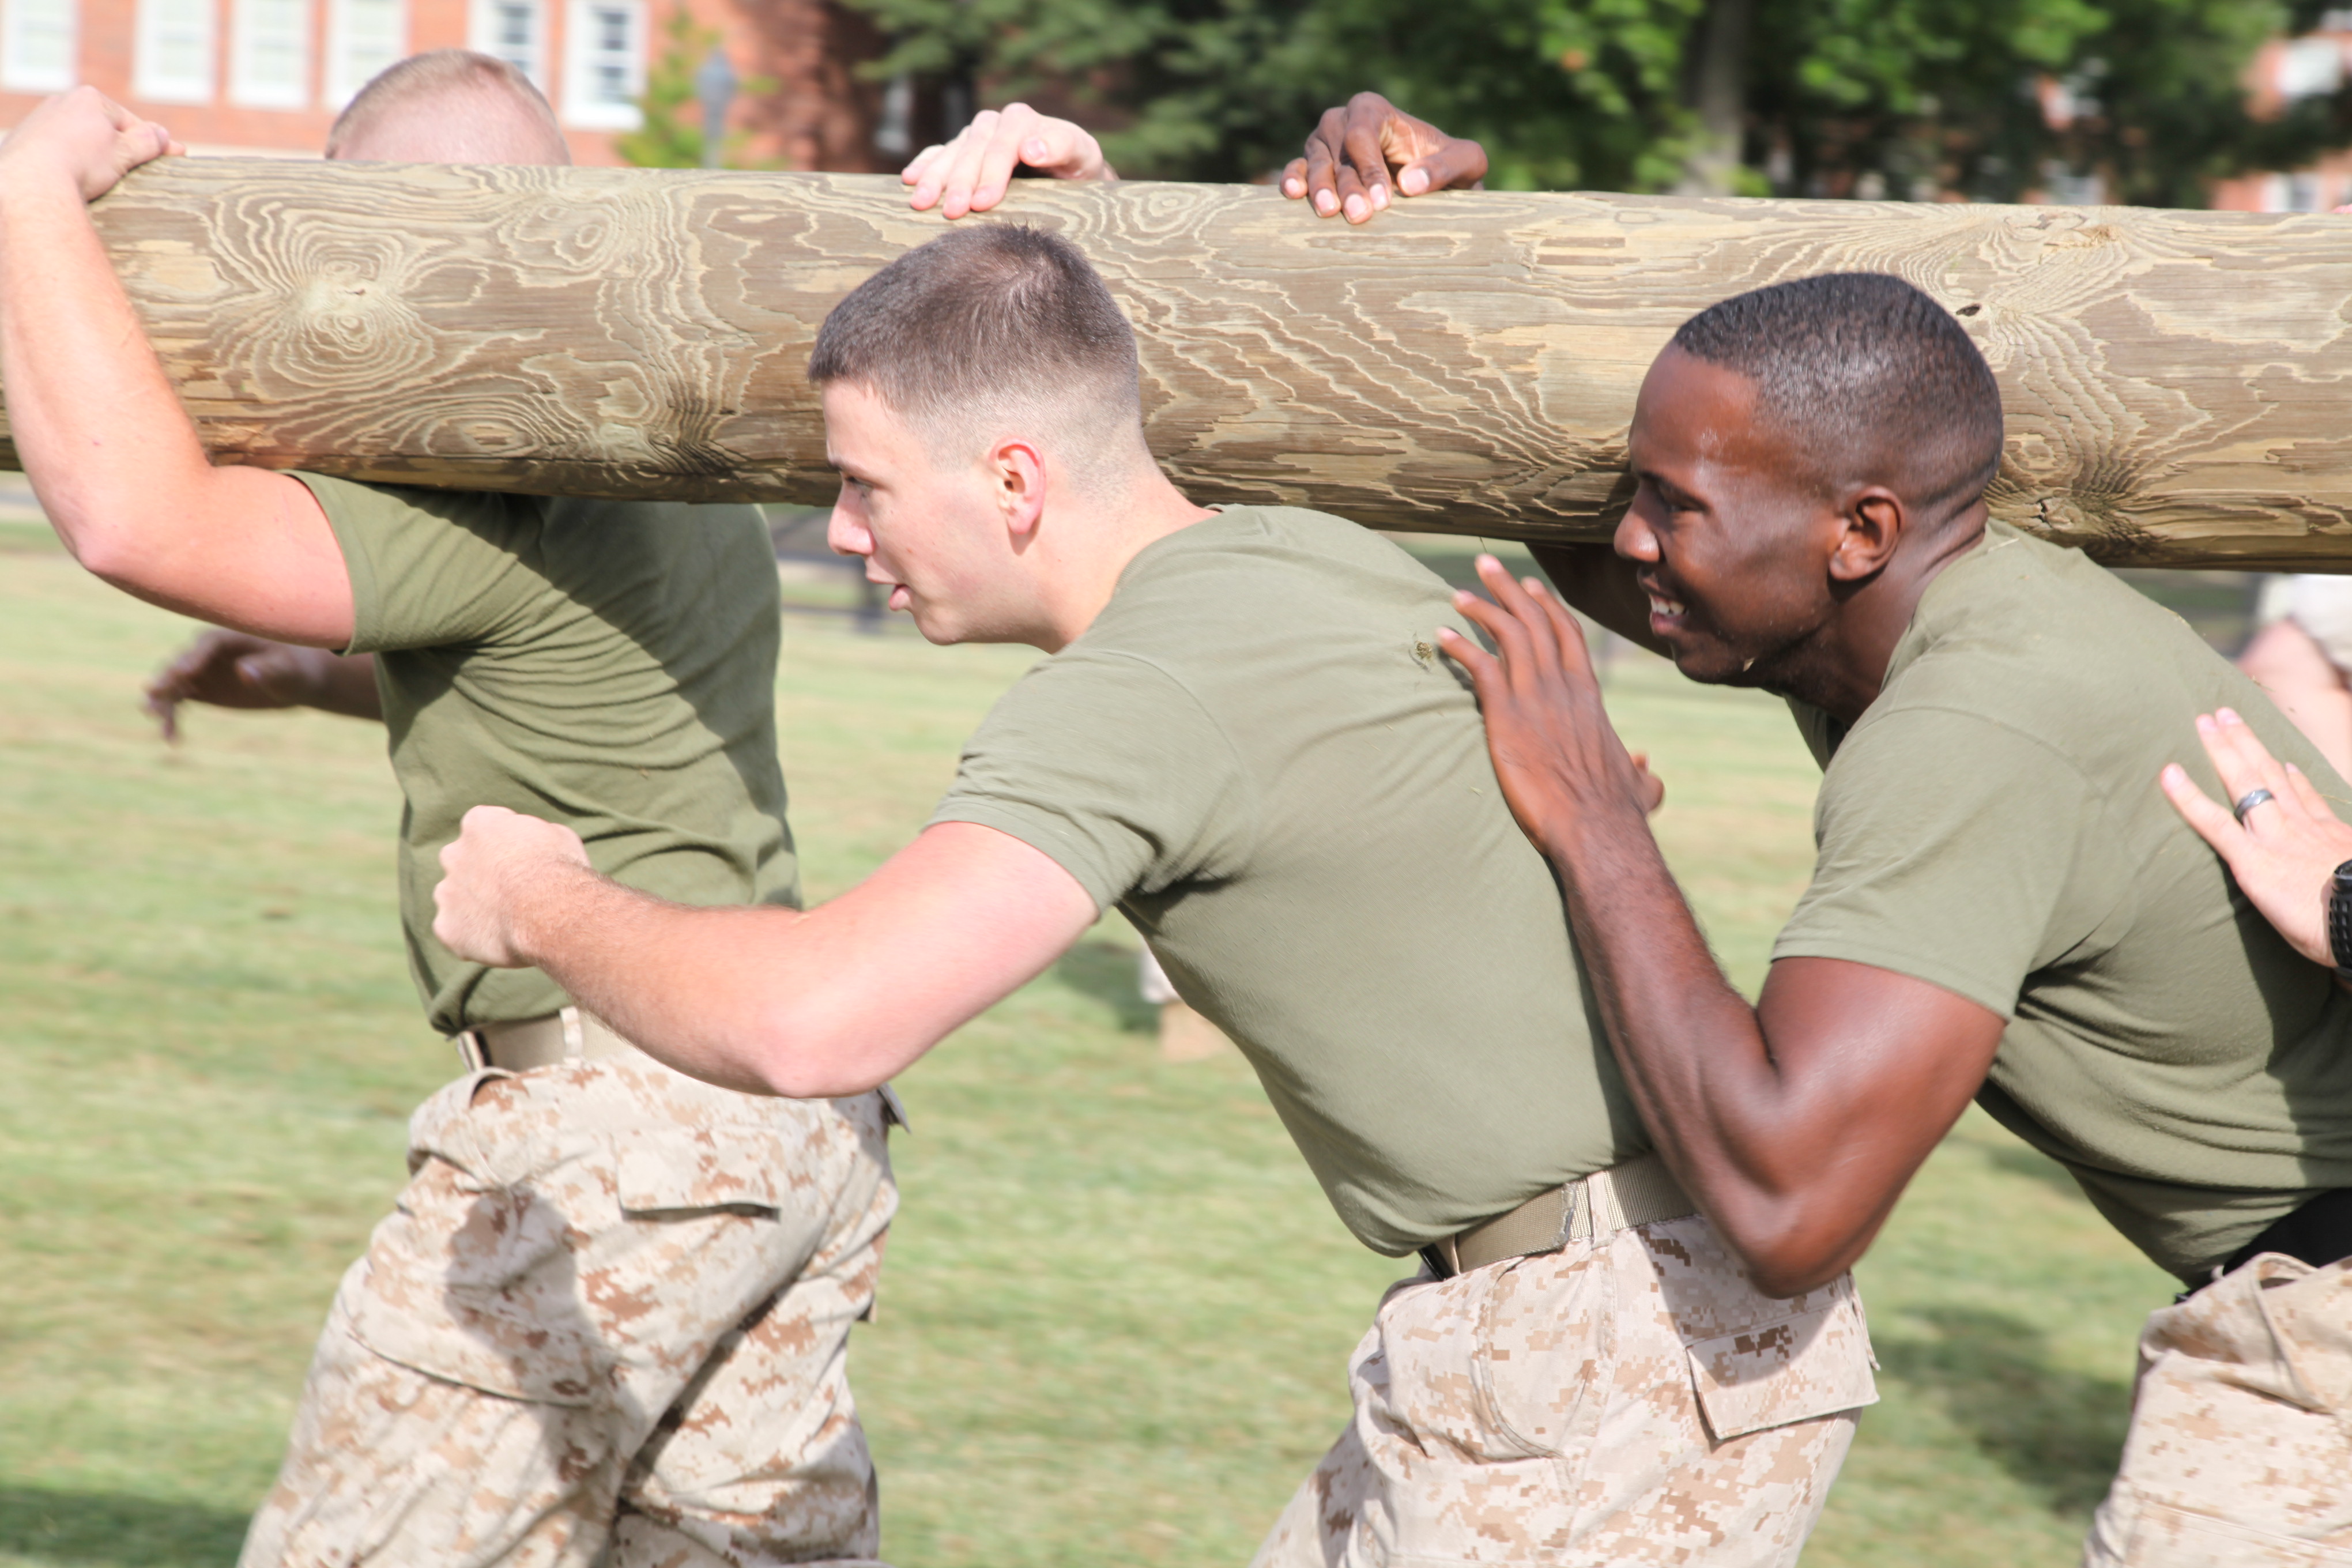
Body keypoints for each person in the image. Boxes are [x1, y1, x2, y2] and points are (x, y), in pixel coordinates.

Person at [427, 223, 1879, 1567]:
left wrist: (541, 901)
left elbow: (820, 1026)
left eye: (865, 485)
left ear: (1012, 482)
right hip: (1603, 1319)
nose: (848, 532)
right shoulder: (1305, 554)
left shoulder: (1134, 694)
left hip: (1598, 1354)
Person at [3, 62, 913, 1567]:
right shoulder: (658, 451)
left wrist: (29, 194)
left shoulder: (495, 491)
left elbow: (129, 515)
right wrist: (321, 683)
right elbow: (577, 679)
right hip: (782, 1126)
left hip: (620, 1144)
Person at [1437, 270, 2352, 1566]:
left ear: (1861, 533)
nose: (1633, 537)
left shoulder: (1972, 728)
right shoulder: (1922, 608)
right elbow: (1624, 548)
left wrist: (1596, 819)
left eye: (1673, 502)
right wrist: (1449, 228)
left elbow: (1791, 1208)